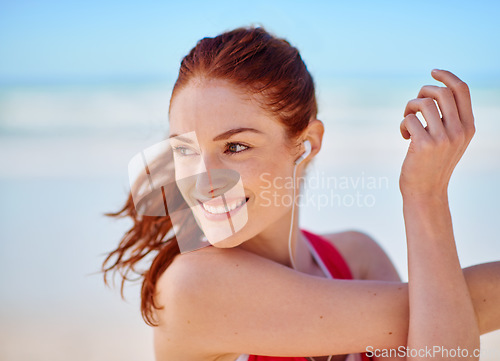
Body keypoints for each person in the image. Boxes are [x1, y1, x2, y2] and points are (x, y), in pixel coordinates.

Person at [103, 26, 500, 361]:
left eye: (235, 147)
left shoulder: (355, 258)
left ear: (307, 143)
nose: (202, 181)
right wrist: (424, 196)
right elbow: (444, 336)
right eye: (186, 150)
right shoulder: (193, 286)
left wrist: (425, 194)